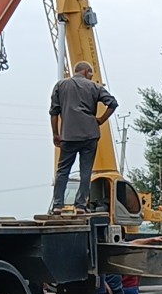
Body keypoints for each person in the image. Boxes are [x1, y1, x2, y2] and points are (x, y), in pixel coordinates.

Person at [49, 61, 118, 215]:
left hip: (68, 135)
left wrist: (55, 134)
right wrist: (101, 120)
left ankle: (58, 205)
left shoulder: (60, 86)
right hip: (90, 135)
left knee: (63, 171)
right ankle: (80, 205)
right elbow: (113, 104)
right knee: (86, 171)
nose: (91, 76)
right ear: (86, 71)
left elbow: (54, 112)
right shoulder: (95, 87)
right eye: (91, 73)